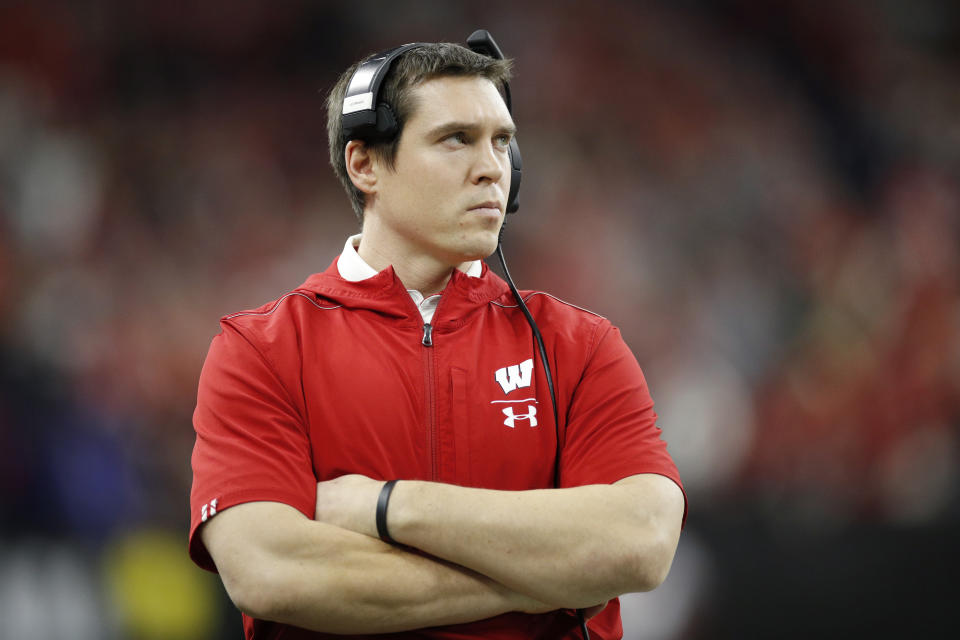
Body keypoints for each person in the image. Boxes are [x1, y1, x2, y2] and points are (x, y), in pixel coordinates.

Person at [188, 35, 686, 640]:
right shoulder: (259, 350)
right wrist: (547, 583)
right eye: (457, 139)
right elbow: (271, 573)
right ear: (365, 164)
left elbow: (643, 543)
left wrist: (386, 506)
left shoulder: (580, 345)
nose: (492, 168)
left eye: (502, 142)